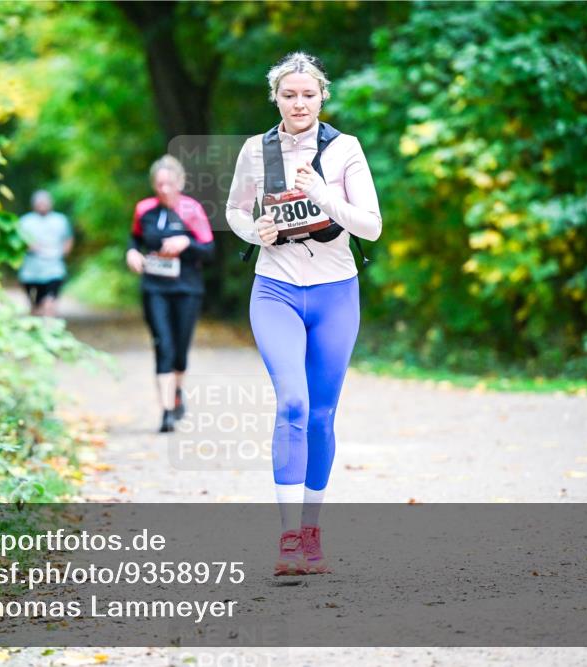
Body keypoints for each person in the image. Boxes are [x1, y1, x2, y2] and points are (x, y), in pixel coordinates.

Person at [225, 52, 382, 575]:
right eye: (289, 95)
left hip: (336, 292)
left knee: (320, 414)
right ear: (276, 98)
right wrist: (255, 231)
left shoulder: (344, 149)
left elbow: (371, 225)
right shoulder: (256, 149)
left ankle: (312, 530)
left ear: (322, 98)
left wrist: (321, 194)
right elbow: (234, 210)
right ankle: (289, 537)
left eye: (308, 95)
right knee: (292, 401)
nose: (299, 103)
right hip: (276, 290)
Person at [127, 155, 215, 433]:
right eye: (159, 184)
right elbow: (135, 238)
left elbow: (209, 251)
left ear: (181, 182)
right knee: (162, 344)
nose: (164, 189)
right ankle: (166, 411)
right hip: (155, 287)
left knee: (179, 349)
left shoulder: (192, 210)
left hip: (187, 288)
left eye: (169, 183)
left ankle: (177, 391)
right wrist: (132, 252)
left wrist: (185, 241)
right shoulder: (144, 209)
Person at [16, 190, 73, 317]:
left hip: (54, 265)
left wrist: (64, 253)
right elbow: (17, 241)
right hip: (31, 268)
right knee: (35, 303)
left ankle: (49, 320)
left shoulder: (60, 220)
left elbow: (68, 238)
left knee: (50, 299)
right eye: (39, 203)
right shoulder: (25, 221)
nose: (42, 206)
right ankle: (37, 316)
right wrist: (28, 247)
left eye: (45, 203)